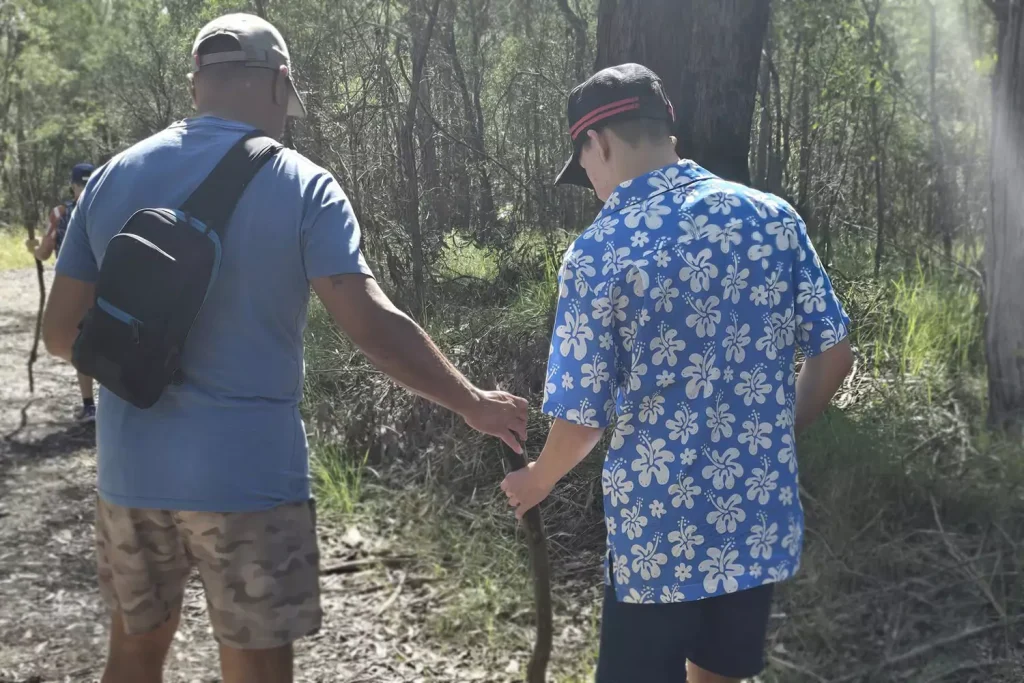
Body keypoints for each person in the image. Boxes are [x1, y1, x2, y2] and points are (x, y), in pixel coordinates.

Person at [41, 13, 527, 683]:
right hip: (250, 484)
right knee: (258, 669)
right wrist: (471, 402)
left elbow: (60, 333)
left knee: (132, 653)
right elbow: (372, 327)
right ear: (280, 82)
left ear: (195, 86)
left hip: (131, 477)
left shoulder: (114, 176)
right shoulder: (302, 185)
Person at [501, 63, 854, 683]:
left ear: (599, 143)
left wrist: (537, 479)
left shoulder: (600, 252)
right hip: (754, 519)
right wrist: (770, 432)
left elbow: (581, 421)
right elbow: (833, 355)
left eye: (582, 163)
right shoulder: (772, 218)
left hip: (658, 535)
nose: (589, 180)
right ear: (667, 131)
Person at [26, 162, 97, 423]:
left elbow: (44, 253)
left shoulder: (60, 212)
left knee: (79, 340)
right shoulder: (107, 205)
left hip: (74, 285)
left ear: (73, 185)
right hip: (110, 283)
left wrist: (31, 248)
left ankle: (89, 405)